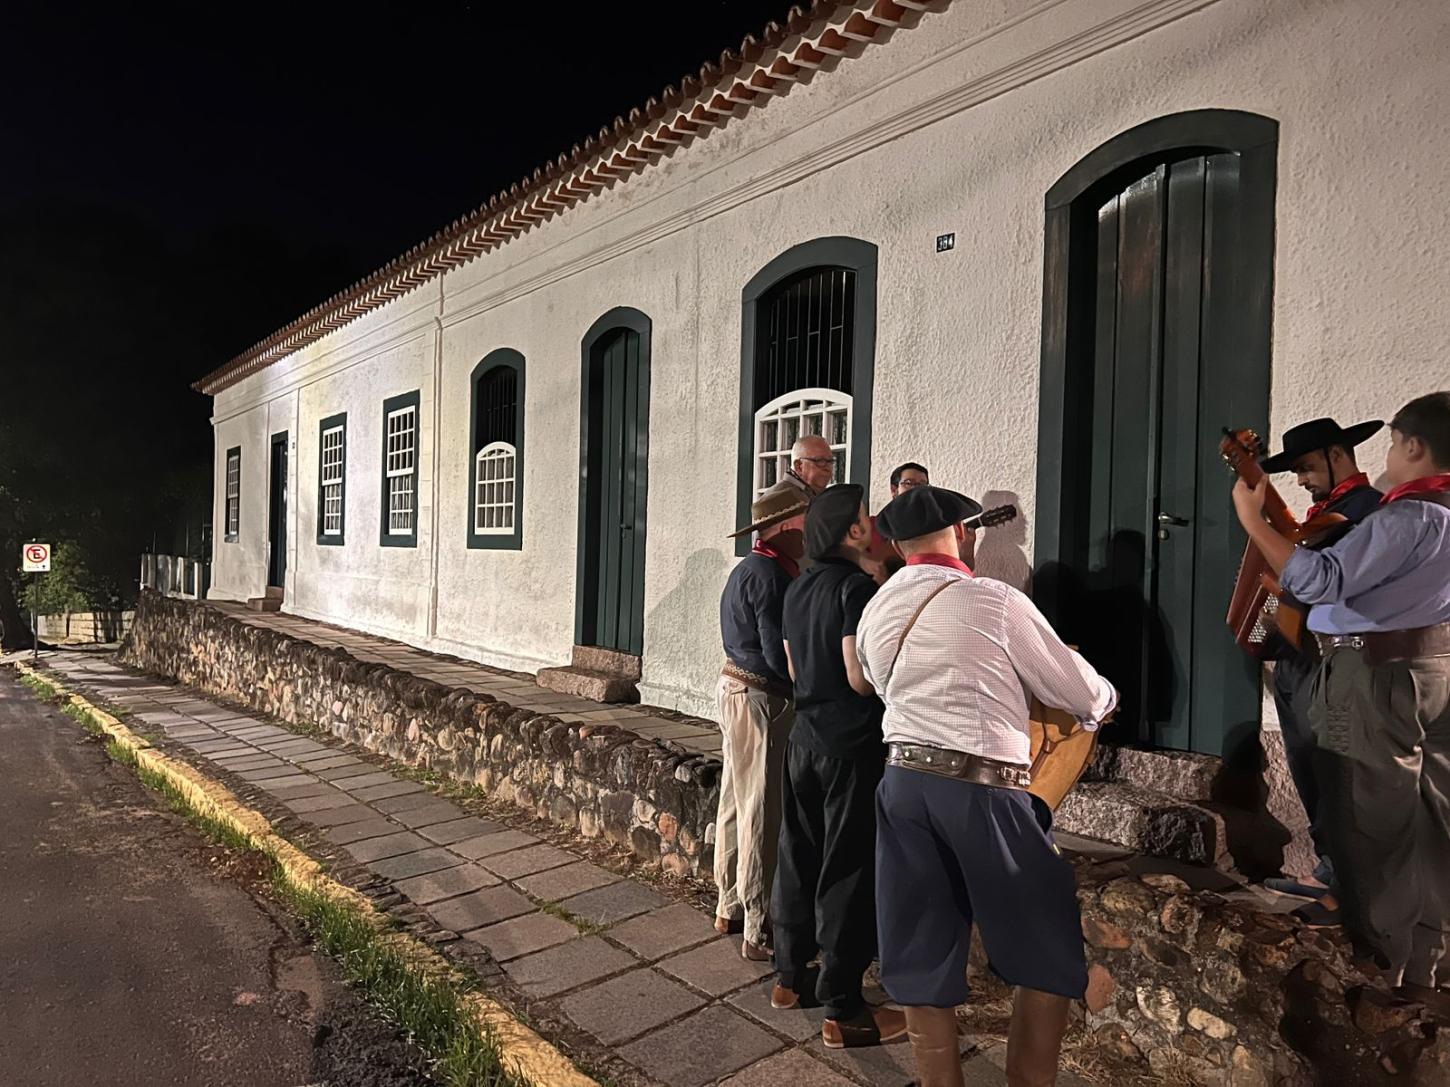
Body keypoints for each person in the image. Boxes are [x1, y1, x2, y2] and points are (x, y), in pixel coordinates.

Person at [856, 486, 1117, 1087]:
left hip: (901, 785)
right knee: (1043, 938)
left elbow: (873, 681)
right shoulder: (993, 599)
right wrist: (1104, 696)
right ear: (963, 533)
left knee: (919, 941)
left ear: (896, 546)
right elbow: (1077, 693)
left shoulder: (879, 607)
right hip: (982, 789)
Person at [1233, 392, 1450, 1005]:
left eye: (1393, 443)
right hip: (1436, 665)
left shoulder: (1403, 516)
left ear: (1413, 446)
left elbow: (1319, 579)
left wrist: (1254, 522)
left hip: (1371, 670)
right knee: (1433, 822)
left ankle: (1380, 963)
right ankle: (1426, 960)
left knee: (1366, 821)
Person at [772, 484, 908, 1048]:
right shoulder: (854, 589)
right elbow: (858, 675)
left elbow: (792, 663)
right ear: (853, 532)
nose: (872, 523)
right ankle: (844, 1007)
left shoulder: (799, 587)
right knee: (846, 869)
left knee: (798, 855)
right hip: (849, 747)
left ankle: (788, 978)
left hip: (802, 739)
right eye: (865, 518)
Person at [1256, 417, 1384, 921]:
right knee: (1308, 766)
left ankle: (1346, 881)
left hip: (1335, 657)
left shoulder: (1367, 512)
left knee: (1334, 770)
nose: (1303, 479)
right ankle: (1329, 868)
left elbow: (1338, 585)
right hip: (1296, 657)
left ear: (1339, 454)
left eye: (1308, 468)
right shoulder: (1315, 518)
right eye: (1297, 472)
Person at [716, 486, 809, 961]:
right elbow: (777, 654)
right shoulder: (772, 576)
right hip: (760, 699)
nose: (809, 530)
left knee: (735, 798)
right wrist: (807, 686)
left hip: (734, 687)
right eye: (804, 520)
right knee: (761, 808)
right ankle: (758, 921)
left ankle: (727, 902)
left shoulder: (745, 570)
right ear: (785, 526)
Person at [866, 462, 934, 579]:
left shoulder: (933, 531)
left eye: (922, 485)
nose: (917, 489)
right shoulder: (870, 526)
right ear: (894, 490)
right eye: (909, 483)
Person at [780, 434, 837, 501]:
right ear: (799, 466)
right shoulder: (778, 499)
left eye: (830, 461)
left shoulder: (828, 497)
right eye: (820, 461)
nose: (827, 468)